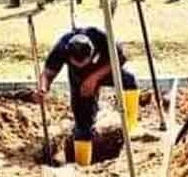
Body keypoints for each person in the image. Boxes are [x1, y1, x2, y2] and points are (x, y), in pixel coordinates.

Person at [37, 26, 139, 166]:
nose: (80, 66)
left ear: (92, 53)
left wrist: (95, 78)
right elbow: (47, 74)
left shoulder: (101, 38)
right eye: (76, 64)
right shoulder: (62, 48)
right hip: (79, 82)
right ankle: (82, 165)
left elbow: (120, 58)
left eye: (83, 63)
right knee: (83, 124)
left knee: (129, 80)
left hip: (105, 70)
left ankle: (132, 128)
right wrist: (43, 87)